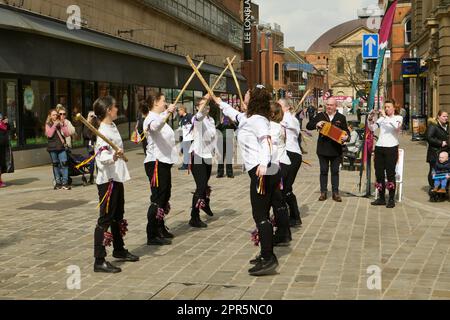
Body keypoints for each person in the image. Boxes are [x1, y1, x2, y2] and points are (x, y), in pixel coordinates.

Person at [214, 86, 279, 277]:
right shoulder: (248, 119)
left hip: (262, 171)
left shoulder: (258, 121)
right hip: (259, 171)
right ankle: (265, 253)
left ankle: (268, 258)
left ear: (253, 100)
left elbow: (266, 142)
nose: (244, 97)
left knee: (260, 215)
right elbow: (234, 115)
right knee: (260, 213)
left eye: (246, 95)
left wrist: (263, 164)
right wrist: (219, 103)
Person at [92, 96, 139, 274]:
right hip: (108, 181)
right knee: (104, 219)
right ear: (108, 110)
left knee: (117, 216)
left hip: (117, 177)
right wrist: (113, 156)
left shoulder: (111, 126)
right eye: (114, 107)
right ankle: (99, 259)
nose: (117, 109)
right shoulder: (102, 131)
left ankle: (119, 249)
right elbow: (101, 156)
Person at [144, 93, 178, 246]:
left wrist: (167, 112)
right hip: (155, 162)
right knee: (157, 197)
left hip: (164, 161)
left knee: (165, 195)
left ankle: (160, 226)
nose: (165, 103)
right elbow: (156, 126)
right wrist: (168, 113)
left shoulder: (158, 116)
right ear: (156, 102)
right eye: (163, 101)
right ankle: (152, 233)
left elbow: (161, 120)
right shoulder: (150, 118)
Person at [306, 97, 350, 202]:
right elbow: (308, 126)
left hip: (336, 150)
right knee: (323, 171)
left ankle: (335, 193)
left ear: (336, 106)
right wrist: (316, 124)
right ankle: (323, 192)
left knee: (335, 172)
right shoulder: (320, 116)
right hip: (323, 149)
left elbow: (346, 131)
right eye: (328, 105)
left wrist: (346, 137)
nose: (329, 107)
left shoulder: (341, 117)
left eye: (331, 105)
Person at [188, 96, 217, 228]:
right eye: (203, 105)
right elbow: (199, 116)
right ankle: (194, 217)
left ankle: (205, 204)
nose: (206, 107)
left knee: (204, 185)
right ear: (197, 107)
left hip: (207, 156)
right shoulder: (196, 118)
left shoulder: (211, 120)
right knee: (200, 187)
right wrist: (204, 103)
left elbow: (212, 137)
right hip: (197, 155)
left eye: (207, 105)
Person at [368, 100, 403, 209]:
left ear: (394, 108)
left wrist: (385, 117)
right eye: (385, 107)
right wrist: (370, 119)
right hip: (379, 147)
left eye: (388, 107)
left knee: (390, 173)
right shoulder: (382, 119)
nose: (386, 109)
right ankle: (381, 197)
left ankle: (391, 198)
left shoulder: (398, 118)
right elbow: (372, 128)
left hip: (391, 148)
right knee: (379, 173)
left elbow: (396, 128)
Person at [269, 102, 292, 246]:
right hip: (283, 163)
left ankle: (283, 233)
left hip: (278, 165)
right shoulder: (280, 126)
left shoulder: (272, 128)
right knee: (279, 201)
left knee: (277, 201)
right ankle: (284, 232)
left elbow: (269, 146)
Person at [279, 99, 303, 227]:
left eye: (280, 106)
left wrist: (281, 121)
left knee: (286, 187)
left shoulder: (291, 119)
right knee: (283, 187)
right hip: (284, 155)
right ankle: (288, 214)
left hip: (293, 155)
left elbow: (293, 127)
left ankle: (294, 216)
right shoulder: (283, 118)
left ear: (287, 108)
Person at [46, 109, 71, 190]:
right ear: (50, 116)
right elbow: (49, 134)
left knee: (64, 164)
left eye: (56, 114)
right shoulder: (48, 124)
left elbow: (67, 134)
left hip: (61, 146)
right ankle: (58, 183)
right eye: (53, 115)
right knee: (56, 165)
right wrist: (54, 125)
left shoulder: (61, 123)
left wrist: (63, 125)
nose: (55, 116)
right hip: (52, 147)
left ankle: (65, 183)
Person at [426, 110, 449, 191]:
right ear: (438, 117)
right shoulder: (433, 126)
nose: (446, 118)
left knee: (444, 171)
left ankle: (442, 187)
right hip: (434, 153)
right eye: (444, 116)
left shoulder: (447, 125)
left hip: (445, 153)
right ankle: (433, 188)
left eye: (447, 116)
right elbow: (429, 138)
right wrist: (441, 143)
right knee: (434, 171)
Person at [83, 111, 97, 185]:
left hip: (97, 145)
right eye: (91, 116)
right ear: (88, 117)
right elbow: (85, 135)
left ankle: (98, 177)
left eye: (94, 116)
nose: (93, 118)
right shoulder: (86, 124)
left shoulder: (97, 124)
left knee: (98, 161)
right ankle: (91, 177)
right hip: (90, 146)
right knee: (92, 161)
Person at [178, 106, 194, 171]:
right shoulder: (181, 118)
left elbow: (194, 123)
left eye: (179, 110)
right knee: (183, 150)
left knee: (185, 151)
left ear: (183, 110)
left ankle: (185, 165)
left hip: (188, 137)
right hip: (183, 137)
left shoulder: (189, 116)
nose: (178, 112)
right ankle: (187, 164)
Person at [0, 113, 12, 187]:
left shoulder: (3, 124)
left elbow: (10, 130)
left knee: (1, 164)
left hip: (3, 147)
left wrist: (7, 123)